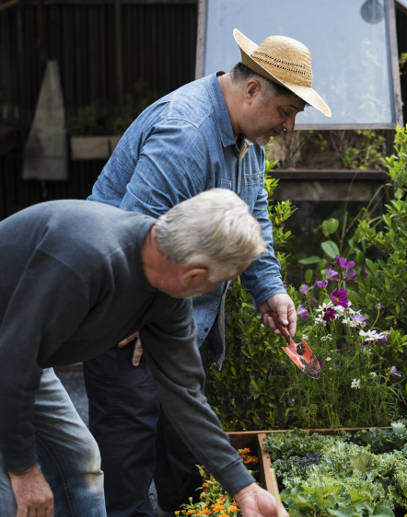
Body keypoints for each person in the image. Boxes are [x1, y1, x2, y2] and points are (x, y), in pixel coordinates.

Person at [84, 30, 330, 515]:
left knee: (180, 454)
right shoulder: (185, 134)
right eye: (286, 111)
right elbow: (133, 233)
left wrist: (269, 289)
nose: (289, 126)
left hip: (173, 319)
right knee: (128, 468)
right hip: (126, 324)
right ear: (252, 90)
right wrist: (137, 316)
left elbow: (253, 215)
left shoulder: (248, 138)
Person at [0, 189, 286, 517]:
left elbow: (184, 394)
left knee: (78, 462)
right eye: (221, 283)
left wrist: (244, 487)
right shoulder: (86, 259)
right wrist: (24, 471)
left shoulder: (167, 294)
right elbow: (11, 365)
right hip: (11, 357)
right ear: (195, 276)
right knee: (11, 495)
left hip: (19, 354)